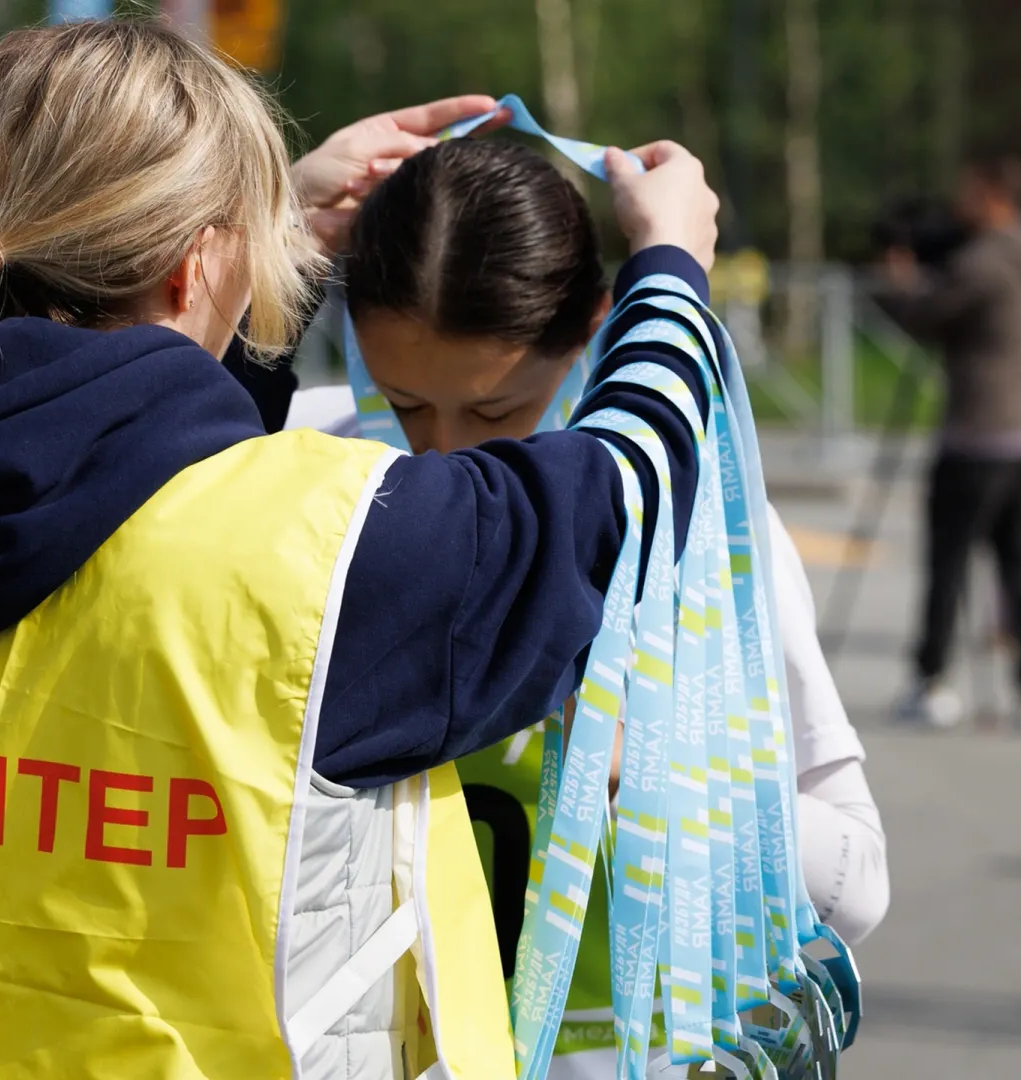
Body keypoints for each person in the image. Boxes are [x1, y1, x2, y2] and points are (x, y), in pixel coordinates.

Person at [0, 19, 724, 1080]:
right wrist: (671, 266)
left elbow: (144, 466)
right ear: (193, 262)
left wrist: (265, 245)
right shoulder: (328, 557)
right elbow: (624, 487)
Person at [276, 137, 887, 1076]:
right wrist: (277, 225)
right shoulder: (300, 459)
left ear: (593, 332)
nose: (447, 460)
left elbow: (856, 885)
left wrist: (647, 768)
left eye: (495, 414)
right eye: (403, 404)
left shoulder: (690, 517)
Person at [879, 155, 1021, 739]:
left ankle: (932, 681)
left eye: (968, 192)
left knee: (949, 561)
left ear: (991, 195)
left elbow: (922, 316)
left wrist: (897, 277)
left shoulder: (981, 263)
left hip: (979, 433)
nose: (959, 204)